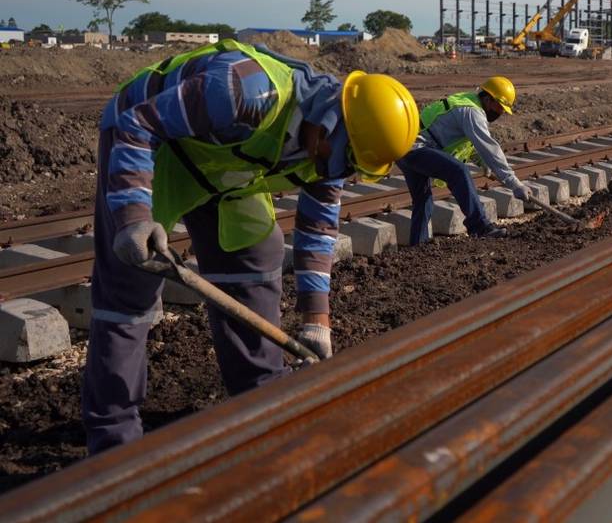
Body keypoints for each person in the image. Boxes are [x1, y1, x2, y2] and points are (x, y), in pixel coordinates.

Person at [83, 38, 419, 454]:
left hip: (226, 169)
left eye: (354, 167)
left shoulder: (334, 148)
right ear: (333, 122)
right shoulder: (244, 91)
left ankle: (260, 402)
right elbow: (138, 125)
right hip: (159, 148)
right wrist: (133, 217)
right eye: (348, 159)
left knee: (256, 255)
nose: (342, 172)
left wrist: (317, 320)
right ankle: (113, 440)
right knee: (130, 283)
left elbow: (317, 229)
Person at [397, 76, 531, 244]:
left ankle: (418, 245)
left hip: (405, 147)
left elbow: (467, 144)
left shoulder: (468, 103)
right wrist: (514, 183)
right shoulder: (472, 111)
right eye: (500, 107)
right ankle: (479, 226)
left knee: (423, 200)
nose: (501, 112)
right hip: (416, 148)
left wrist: (483, 163)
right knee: (458, 171)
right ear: (488, 99)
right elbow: (490, 149)